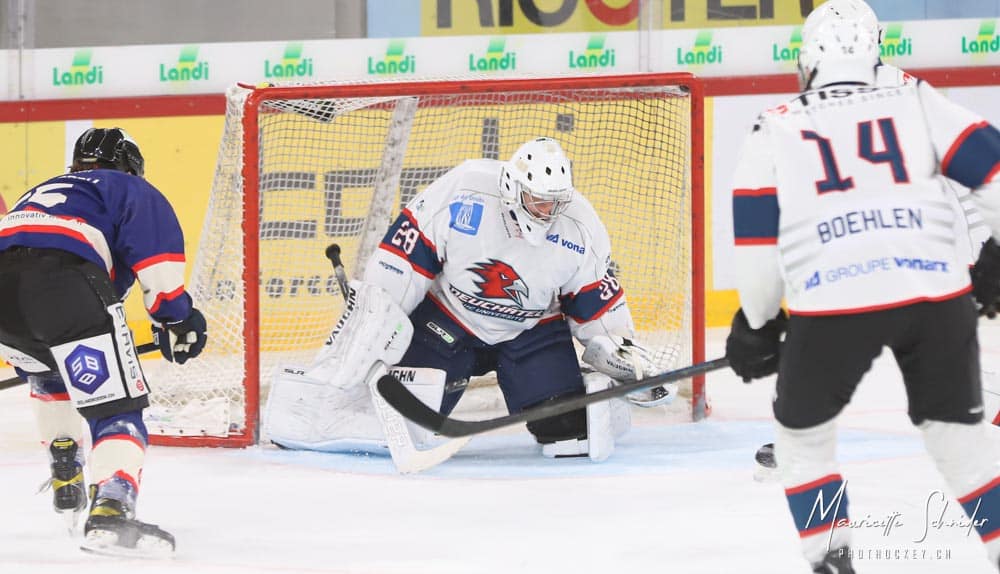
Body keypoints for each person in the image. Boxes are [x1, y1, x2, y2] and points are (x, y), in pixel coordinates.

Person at [724, 14, 1000, 574]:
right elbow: (992, 165)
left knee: (801, 441)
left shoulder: (775, 125)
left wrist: (757, 322)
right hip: (933, 293)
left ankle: (831, 558)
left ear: (806, 61)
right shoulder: (915, 98)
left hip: (833, 301)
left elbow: (756, 244)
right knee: (961, 446)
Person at [264, 136, 667, 468]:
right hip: (447, 321)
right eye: (538, 200)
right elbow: (402, 261)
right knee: (406, 416)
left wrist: (623, 359)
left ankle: (591, 404)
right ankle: (320, 403)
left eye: (555, 202)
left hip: (531, 331)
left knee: (567, 427)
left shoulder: (581, 226)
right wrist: (372, 323)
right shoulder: (465, 189)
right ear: (513, 189)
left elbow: (597, 308)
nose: (548, 211)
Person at [0, 128, 207, 557]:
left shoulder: (42, 193)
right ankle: (111, 512)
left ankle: (65, 462)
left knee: (49, 371)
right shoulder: (128, 187)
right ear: (132, 166)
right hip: (62, 281)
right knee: (116, 408)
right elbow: (157, 266)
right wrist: (177, 318)